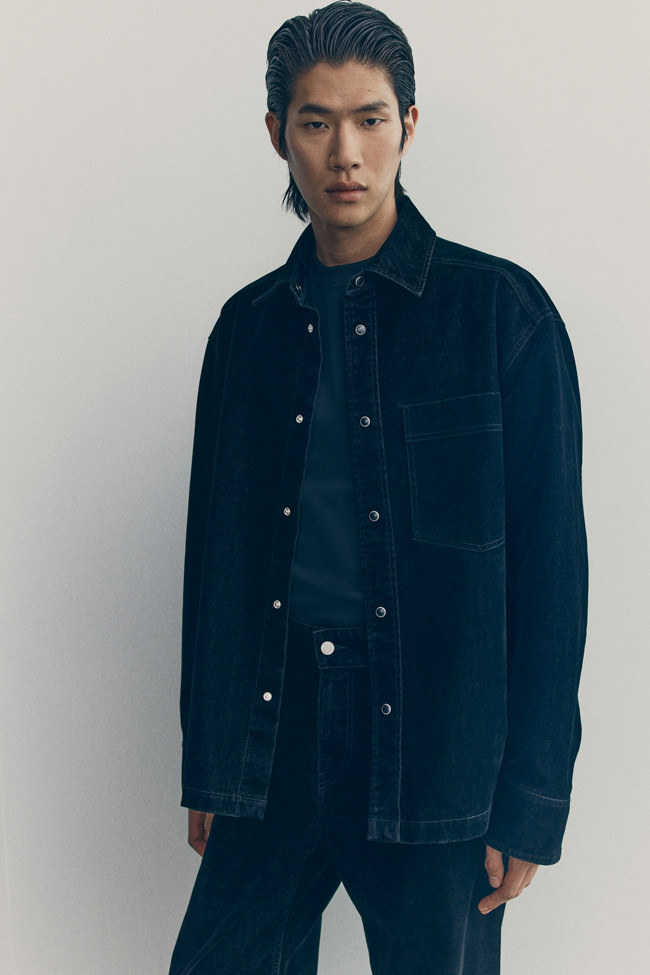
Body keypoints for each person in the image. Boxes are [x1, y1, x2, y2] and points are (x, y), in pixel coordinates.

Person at [168, 3, 588, 973]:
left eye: (369, 118)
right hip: (271, 728)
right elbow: (213, 564)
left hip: (440, 736)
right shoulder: (246, 332)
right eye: (315, 122)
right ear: (277, 133)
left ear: (408, 124)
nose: (344, 152)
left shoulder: (501, 315)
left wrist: (531, 797)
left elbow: (550, 572)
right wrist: (213, 758)